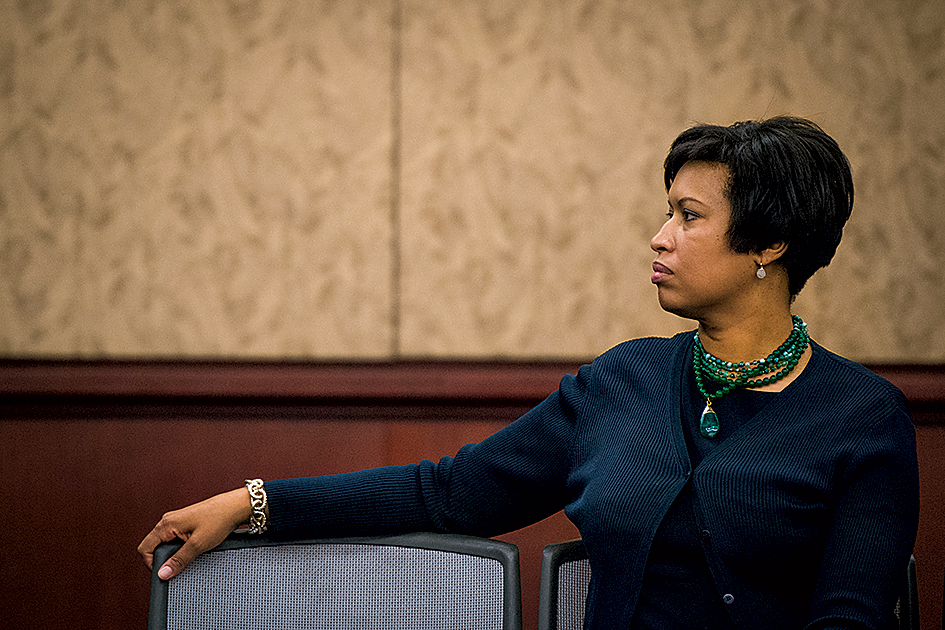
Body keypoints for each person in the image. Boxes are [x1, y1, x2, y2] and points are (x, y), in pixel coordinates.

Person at [139, 116, 919, 629]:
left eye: (687, 216)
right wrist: (252, 502)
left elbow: (849, 620)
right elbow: (447, 494)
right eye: (665, 212)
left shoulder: (860, 416)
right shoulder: (621, 384)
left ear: (768, 243)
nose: (657, 238)